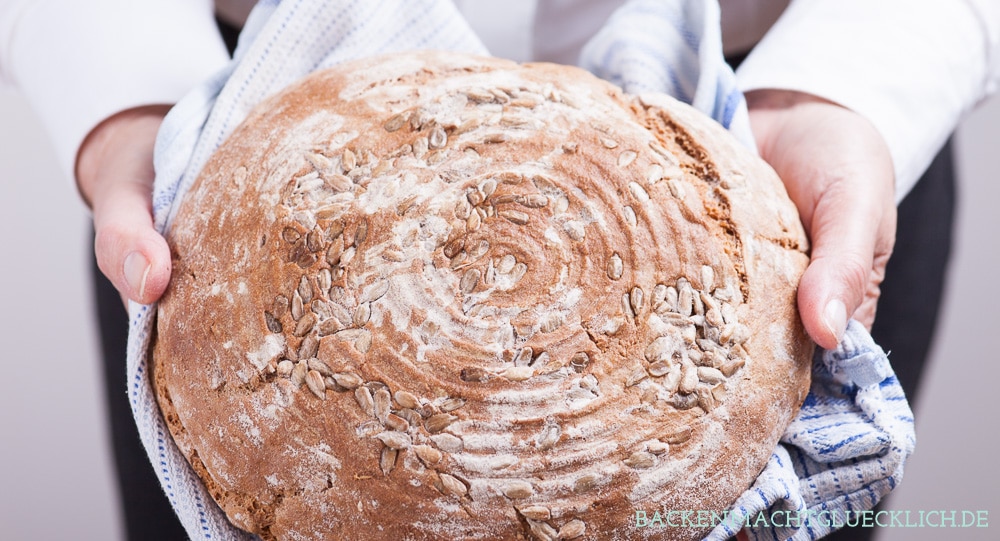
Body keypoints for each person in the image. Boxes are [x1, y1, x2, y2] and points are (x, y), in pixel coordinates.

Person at [2, 1, 997, 539]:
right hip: (243, 169)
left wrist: (851, 83)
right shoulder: (208, 180)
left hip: (778, 129)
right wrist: (129, 97)